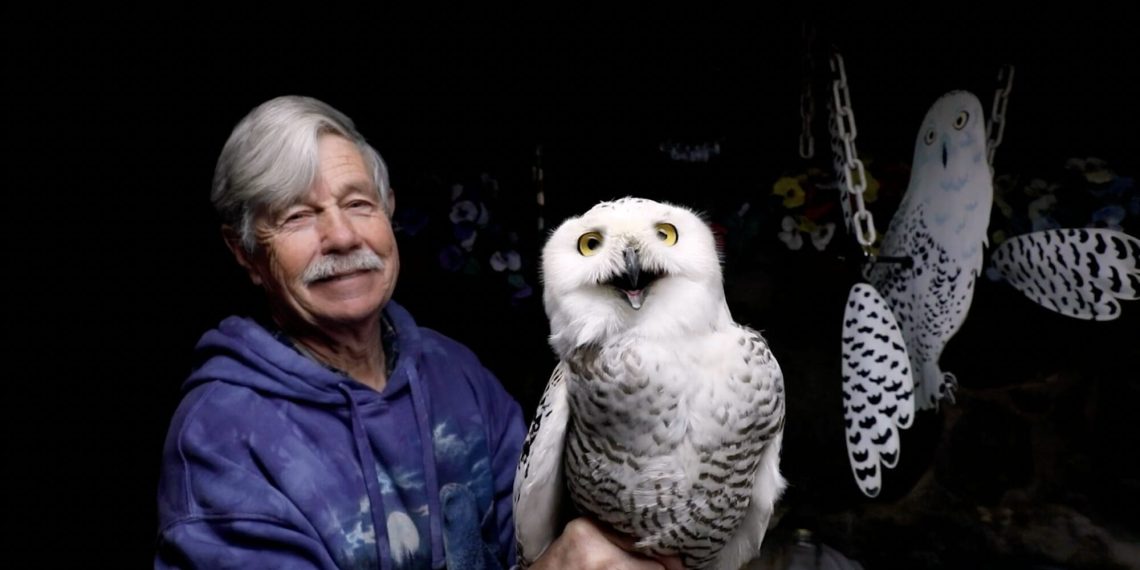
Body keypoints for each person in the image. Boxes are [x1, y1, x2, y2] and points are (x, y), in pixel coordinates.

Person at [156, 95, 680, 570]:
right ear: (245, 251)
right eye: (298, 216)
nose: (341, 236)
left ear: (389, 212)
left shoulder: (457, 376)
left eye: (359, 204)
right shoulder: (221, 439)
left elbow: (534, 541)